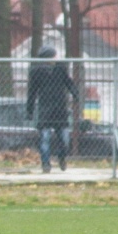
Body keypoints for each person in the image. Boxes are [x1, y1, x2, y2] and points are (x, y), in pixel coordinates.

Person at [27, 45, 77, 173]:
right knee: (45, 138)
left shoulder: (60, 68)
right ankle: (45, 163)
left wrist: (75, 93)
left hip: (60, 109)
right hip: (45, 110)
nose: (57, 57)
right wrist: (29, 110)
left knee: (64, 139)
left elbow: (68, 82)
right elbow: (32, 91)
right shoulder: (36, 71)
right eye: (55, 54)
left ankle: (62, 157)